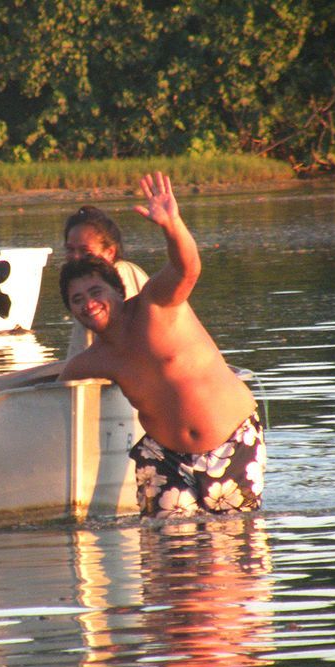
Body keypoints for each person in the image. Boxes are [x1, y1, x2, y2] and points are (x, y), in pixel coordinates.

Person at [58, 172, 265, 518]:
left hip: (231, 439)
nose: (89, 304)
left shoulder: (157, 304)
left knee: (228, 545)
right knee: (170, 548)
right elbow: (53, 394)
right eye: (77, 300)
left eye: (96, 292)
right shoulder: (92, 361)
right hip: (163, 458)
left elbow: (188, 268)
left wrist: (172, 226)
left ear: (118, 290)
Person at [63, 205, 149, 358]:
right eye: (70, 249)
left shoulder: (120, 276)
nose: (76, 257)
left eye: (85, 251)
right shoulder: (82, 283)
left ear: (110, 252)